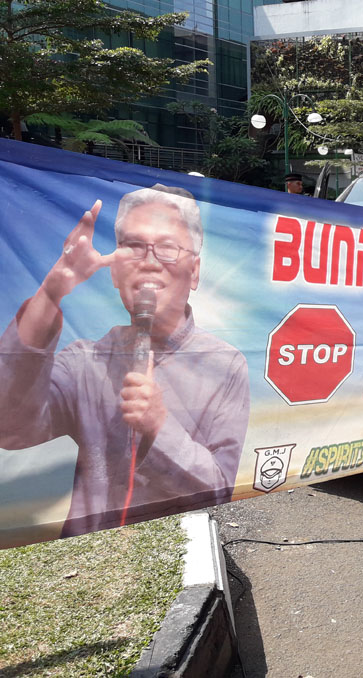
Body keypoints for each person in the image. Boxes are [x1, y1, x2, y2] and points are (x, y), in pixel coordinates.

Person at [0, 184, 250, 536]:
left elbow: (220, 489)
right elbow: (11, 427)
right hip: (89, 562)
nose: (149, 262)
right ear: (115, 272)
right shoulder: (85, 362)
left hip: (178, 551)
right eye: (133, 246)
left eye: (166, 248)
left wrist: (159, 428)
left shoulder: (225, 365)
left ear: (194, 271)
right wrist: (52, 291)